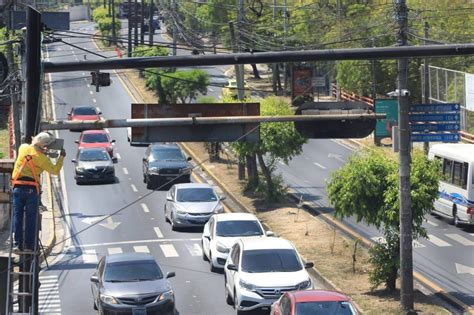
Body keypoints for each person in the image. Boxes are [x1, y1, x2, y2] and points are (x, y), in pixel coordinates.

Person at [11, 132, 66, 253]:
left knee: (17, 216)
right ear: (44, 145)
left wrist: (43, 150)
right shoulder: (42, 159)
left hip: (17, 188)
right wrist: (61, 157)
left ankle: (17, 244)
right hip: (32, 190)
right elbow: (55, 171)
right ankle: (30, 246)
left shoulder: (23, 148)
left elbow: (32, 151)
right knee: (31, 218)